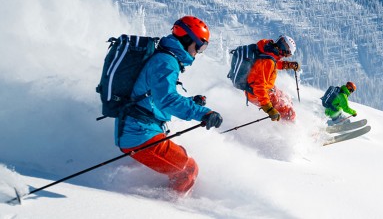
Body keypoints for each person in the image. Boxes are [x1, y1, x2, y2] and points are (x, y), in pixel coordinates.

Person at [115, 15, 223, 195]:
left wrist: (190, 102)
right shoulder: (166, 61)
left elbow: (155, 96)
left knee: (181, 156)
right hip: (140, 134)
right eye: (200, 46)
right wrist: (202, 113)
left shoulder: (165, 58)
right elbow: (166, 99)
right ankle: (168, 207)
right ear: (188, 39)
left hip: (138, 130)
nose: (198, 52)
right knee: (188, 170)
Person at [246, 35, 300, 121]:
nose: (285, 56)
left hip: (264, 88)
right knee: (288, 112)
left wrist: (287, 65)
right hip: (258, 93)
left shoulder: (266, 48)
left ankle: (287, 118)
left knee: (286, 97)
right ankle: (291, 128)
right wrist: (268, 108)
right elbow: (259, 87)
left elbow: (273, 63)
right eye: (287, 54)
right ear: (284, 51)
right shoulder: (268, 61)